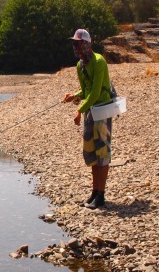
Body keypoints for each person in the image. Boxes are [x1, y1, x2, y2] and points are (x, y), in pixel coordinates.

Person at [63, 29, 113, 209]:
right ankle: (94, 192)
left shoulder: (99, 62)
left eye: (78, 43)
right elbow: (86, 91)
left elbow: (96, 92)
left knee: (103, 153)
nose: (75, 47)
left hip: (103, 110)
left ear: (87, 43)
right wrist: (73, 95)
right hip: (91, 111)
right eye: (74, 44)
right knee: (91, 153)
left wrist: (79, 110)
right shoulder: (80, 65)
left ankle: (101, 195)